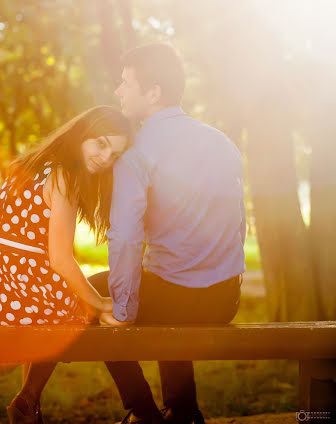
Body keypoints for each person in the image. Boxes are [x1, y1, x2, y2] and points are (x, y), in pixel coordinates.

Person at [90, 43, 246, 424]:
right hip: (225, 299)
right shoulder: (221, 142)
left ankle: (142, 412)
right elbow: (238, 225)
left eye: (126, 83)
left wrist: (123, 309)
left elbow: (125, 239)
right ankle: (183, 408)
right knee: (161, 282)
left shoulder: (136, 153)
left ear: (153, 92)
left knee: (94, 296)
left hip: (176, 297)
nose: (118, 91)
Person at [0, 105, 130, 424]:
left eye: (115, 153)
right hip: (13, 281)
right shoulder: (64, 176)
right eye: (101, 143)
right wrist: (98, 301)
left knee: (57, 301)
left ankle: (28, 402)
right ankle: (24, 392)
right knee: (77, 312)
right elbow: (61, 259)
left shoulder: (34, 164)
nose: (106, 157)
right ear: (83, 134)